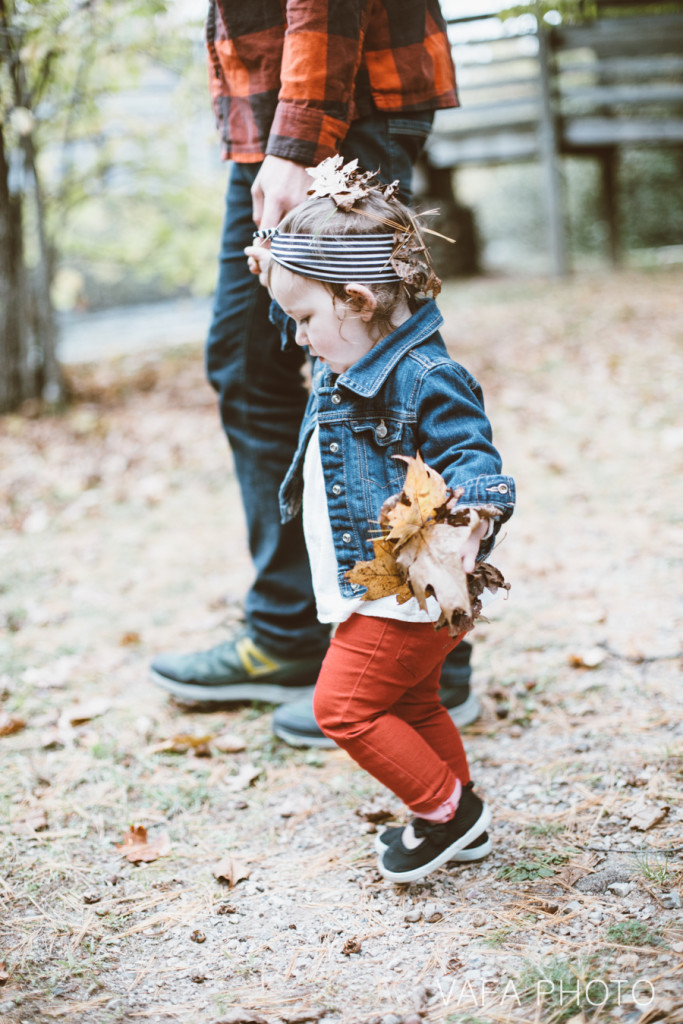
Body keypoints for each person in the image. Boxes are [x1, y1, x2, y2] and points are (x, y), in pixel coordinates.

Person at [149, 0, 481, 745]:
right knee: (248, 365)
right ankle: (291, 629)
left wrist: (300, 141)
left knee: (371, 374)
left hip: (333, 108)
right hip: (276, 119)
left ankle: (427, 655)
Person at [243, 162, 515, 881]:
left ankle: (446, 813)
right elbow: (301, 302)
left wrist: (476, 515)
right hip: (375, 584)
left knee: (343, 709)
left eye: (304, 320)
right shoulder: (349, 344)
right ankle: (459, 820)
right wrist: (273, 250)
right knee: (412, 702)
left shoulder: (422, 374)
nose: (298, 337)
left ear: (359, 300)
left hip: (408, 588)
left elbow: (471, 454)